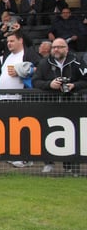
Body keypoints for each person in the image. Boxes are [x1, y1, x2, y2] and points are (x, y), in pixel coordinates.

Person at [33, 38, 87, 174]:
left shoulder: (77, 61)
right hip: (49, 104)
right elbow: (35, 81)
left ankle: (71, 166)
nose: (56, 50)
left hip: (72, 104)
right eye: (54, 47)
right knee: (47, 133)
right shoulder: (44, 63)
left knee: (72, 135)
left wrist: (74, 86)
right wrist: (50, 85)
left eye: (59, 47)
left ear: (66, 48)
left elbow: (85, 80)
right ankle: (48, 163)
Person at [0, 30, 40, 169]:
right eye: (8, 41)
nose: (9, 43)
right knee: (10, 129)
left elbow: (39, 69)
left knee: (22, 129)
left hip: (20, 98)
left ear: (20, 40)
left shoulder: (28, 54)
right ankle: (14, 154)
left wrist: (22, 71)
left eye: (12, 41)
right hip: (4, 98)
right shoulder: (7, 56)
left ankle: (26, 157)